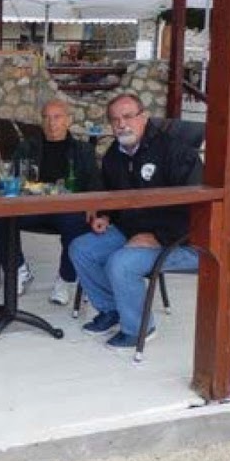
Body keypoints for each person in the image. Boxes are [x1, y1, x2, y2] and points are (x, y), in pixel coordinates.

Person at [69, 92, 202, 351]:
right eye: (115, 119)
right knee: (81, 249)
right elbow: (108, 192)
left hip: (183, 240)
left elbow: (197, 207)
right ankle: (112, 309)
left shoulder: (175, 152)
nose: (122, 124)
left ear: (144, 117)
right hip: (132, 231)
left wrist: (158, 237)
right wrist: (104, 215)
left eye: (128, 116)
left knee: (121, 263)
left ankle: (139, 328)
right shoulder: (114, 154)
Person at [0, 99, 100, 304]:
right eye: (47, 118)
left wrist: (92, 207)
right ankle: (18, 270)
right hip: (32, 206)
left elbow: (94, 182)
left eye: (57, 117)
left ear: (68, 120)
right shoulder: (28, 147)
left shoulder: (83, 150)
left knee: (77, 223)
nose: (52, 123)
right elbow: (14, 178)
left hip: (67, 209)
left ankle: (65, 279)